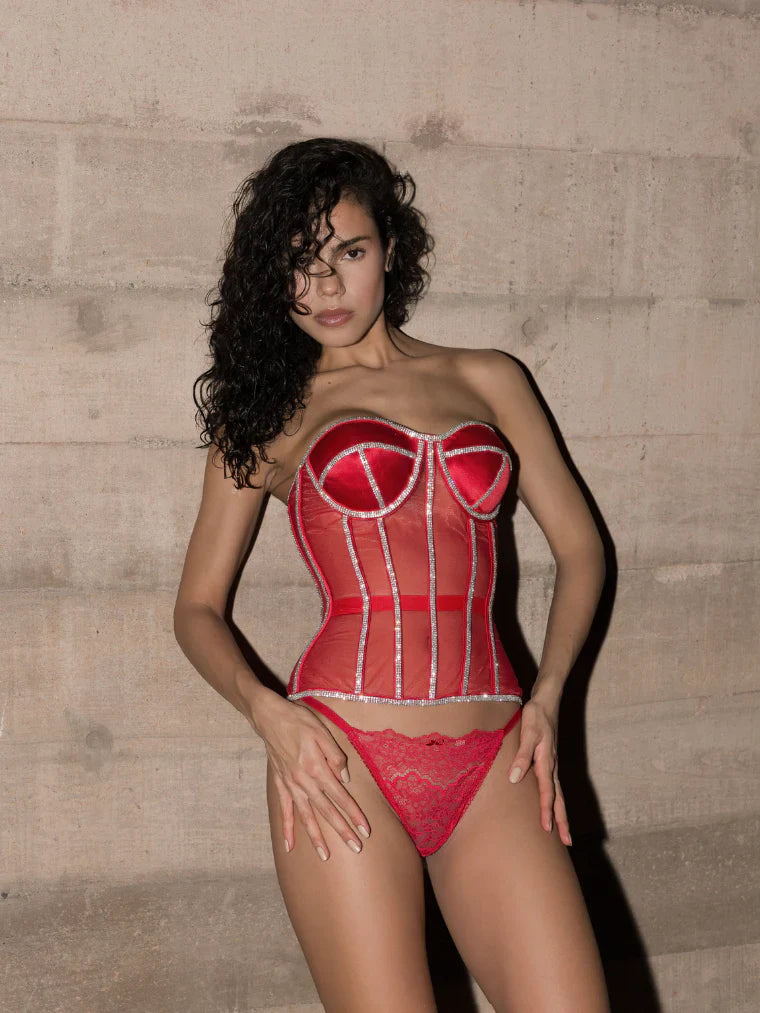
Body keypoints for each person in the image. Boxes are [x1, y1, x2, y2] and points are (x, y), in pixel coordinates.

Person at [174, 137, 611, 1012]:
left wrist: (549, 695)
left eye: (349, 252)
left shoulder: (489, 378)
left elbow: (582, 549)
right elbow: (196, 608)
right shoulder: (269, 416)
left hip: (497, 756)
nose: (326, 287)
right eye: (300, 265)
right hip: (342, 760)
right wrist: (269, 713)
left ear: (391, 248)